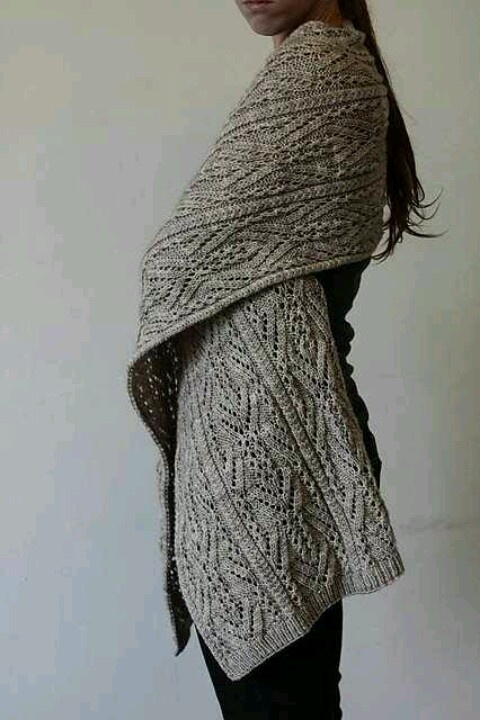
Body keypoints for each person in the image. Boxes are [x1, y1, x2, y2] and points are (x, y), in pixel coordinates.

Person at [190, 1, 443, 717]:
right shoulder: (313, 68)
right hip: (274, 437)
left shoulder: (323, 66)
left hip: (276, 450)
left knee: (279, 705)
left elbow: (180, 256)